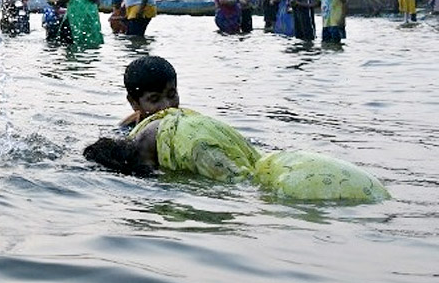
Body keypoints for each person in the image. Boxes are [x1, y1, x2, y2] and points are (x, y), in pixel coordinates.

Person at [85, 57, 389, 202]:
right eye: (155, 100)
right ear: (133, 102)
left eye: (172, 95)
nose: (168, 106)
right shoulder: (130, 131)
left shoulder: (188, 126)